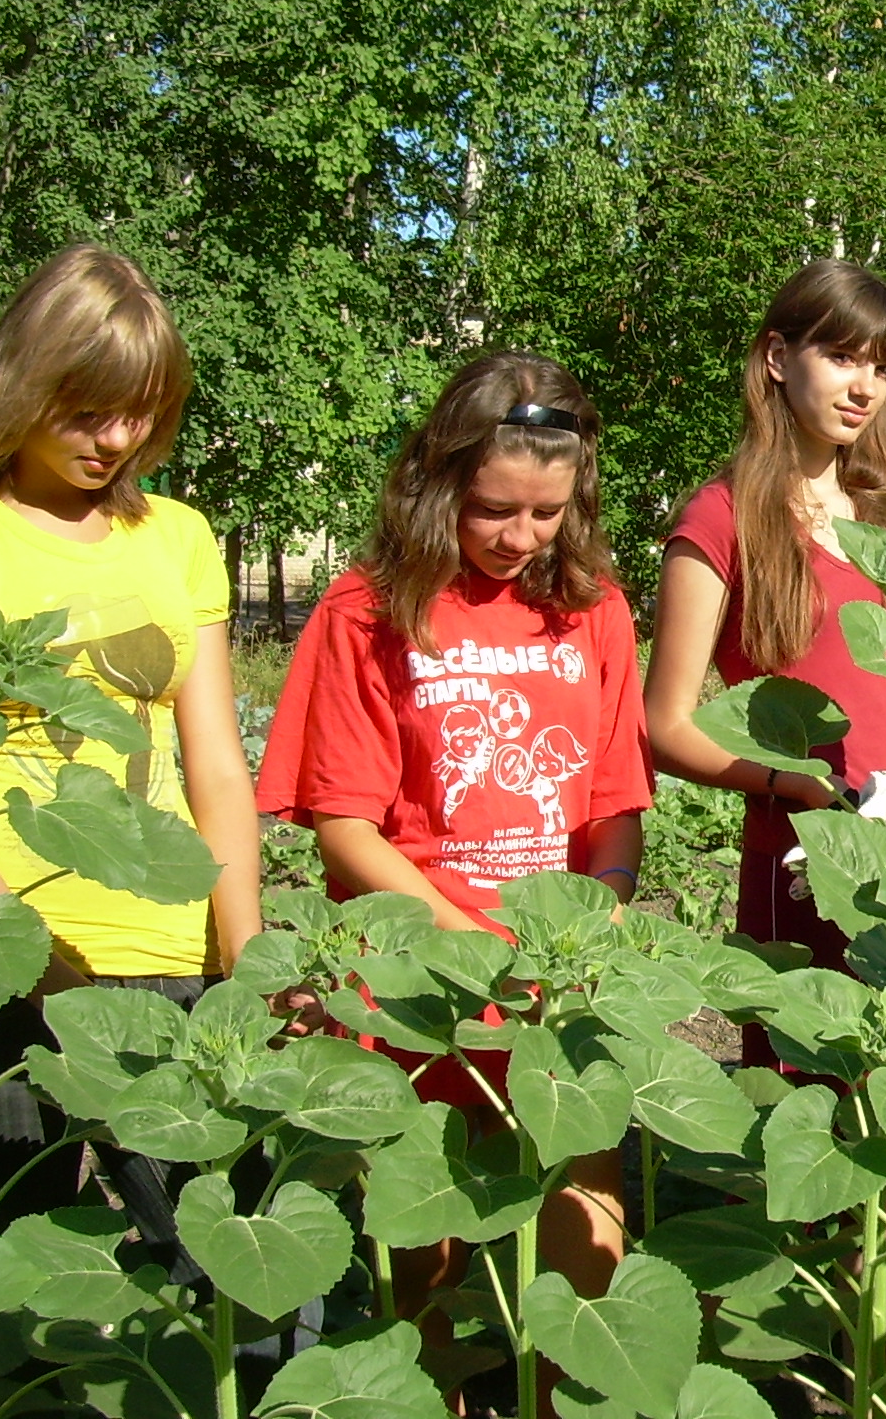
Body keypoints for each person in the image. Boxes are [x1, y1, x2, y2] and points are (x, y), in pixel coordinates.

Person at [256, 350, 650, 1392]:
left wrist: (598, 920)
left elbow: (613, 810)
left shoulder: (593, 610)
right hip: (411, 993)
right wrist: (470, 943)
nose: (521, 539)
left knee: (588, 1295)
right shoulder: (367, 611)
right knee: (419, 1306)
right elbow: (345, 825)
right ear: (436, 486)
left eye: (547, 514)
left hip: (554, 991)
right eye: (493, 511)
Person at [0, 245, 263, 1251]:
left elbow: (215, 759)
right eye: (87, 411)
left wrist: (246, 948)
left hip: (169, 955)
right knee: (13, 1276)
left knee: (230, 1276)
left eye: (142, 411)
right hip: (0, 963)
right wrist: (18, 944)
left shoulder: (172, 535)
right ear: (24, 384)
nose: (118, 439)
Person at [644, 260, 886, 1066]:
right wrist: (800, 787)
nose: (866, 388)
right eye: (844, 358)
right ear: (778, 359)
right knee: (809, 1090)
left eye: (882, 368)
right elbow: (665, 725)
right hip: (800, 856)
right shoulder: (721, 517)